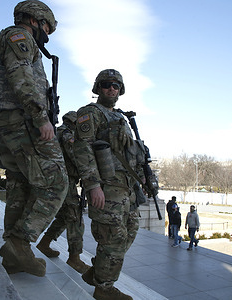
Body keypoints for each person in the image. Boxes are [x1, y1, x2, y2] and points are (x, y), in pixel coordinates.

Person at [0, 0, 68, 277]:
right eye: (46, 26)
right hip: (24, 123)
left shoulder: (11, 38)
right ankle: (20, 244)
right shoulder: (18, 36)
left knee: (20, 187)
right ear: (34, 20)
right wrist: (41, 117)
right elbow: (22, 78)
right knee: (56, 182)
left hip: (9, 124)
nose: (46, 32)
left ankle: (13, 254)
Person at [74, 69, 146, 300]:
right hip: (107, 187)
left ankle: (98, 271)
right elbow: (82, 149)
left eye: (116, 86)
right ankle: (103, 288)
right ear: (98, 88)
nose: (111, 89)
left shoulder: (122, 119)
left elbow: (129, 152)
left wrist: (141, 178)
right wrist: (92, 185)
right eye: (106, 84)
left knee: (130, 231)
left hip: (127, 188)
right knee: (112, 237)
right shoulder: (89, 113)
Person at [36, 111, 91, 274]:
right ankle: (75, 258)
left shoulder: (57, 132)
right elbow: (76, 156)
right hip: (64, 181)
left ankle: (44, 243)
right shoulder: (67, 135)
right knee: (75, 216)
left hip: (58, 180)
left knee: (64, 217)